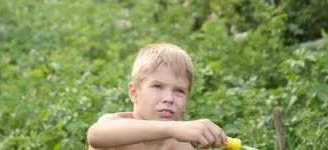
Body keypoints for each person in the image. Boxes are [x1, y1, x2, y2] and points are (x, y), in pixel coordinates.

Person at [87, 42, 229, 149]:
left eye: (179, 91)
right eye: (157, 86)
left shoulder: (181, 146)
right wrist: (171, 128)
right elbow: (95, 135)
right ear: (134, 92)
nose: (169, 98)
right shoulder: (115, 124)